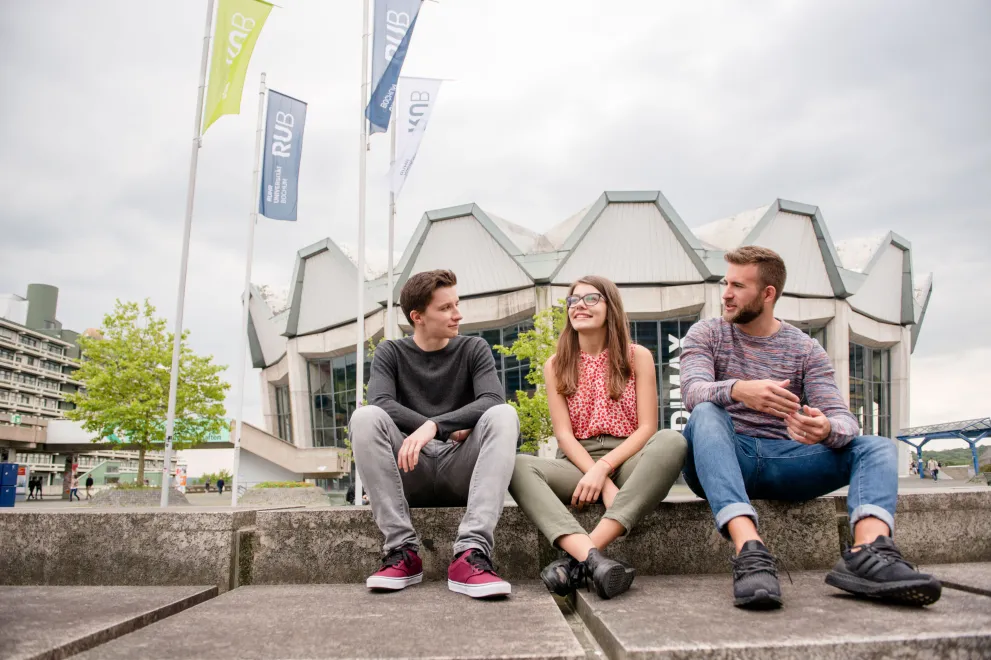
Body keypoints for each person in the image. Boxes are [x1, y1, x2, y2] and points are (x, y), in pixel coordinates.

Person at [680, 245, 940, 609]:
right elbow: (692, 392)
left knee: (878, 446)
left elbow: (844, 419)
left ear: (767, 294)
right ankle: (749, 550)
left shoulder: (805, 349)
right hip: (721, 456)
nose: (726, 293)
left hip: (784, 460)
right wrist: (740, 389)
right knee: (706, 412)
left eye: (738, 285)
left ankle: (868, 554)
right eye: (727, 283)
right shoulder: (706, 333)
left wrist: (824, 428)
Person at [510, 275, 687, 600]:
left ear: (611, 306)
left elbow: (647, 428)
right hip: (577, 463)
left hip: (629, 457)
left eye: (591, 299)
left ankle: (581, 558)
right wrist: (599, 478)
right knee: (518, 465)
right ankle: (592, 560)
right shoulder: (556, 364)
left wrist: (604, 467)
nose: (580, 305)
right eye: (574, 300)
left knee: (672, 442)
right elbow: (563, 435)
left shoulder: (638, 357)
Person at [350, 269, 520, 599]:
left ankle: (471, 553)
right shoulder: (390, 352)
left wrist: (434, 426)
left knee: (504, 414)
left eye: (456, 304)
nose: (457, 314)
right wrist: (439, 429)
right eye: (445, 308)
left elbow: (491, 399)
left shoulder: (474, 348)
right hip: (411, 470)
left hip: (462, 470)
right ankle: (402, 552)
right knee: (366, 416)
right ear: (418, 317)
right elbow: (382, 402)